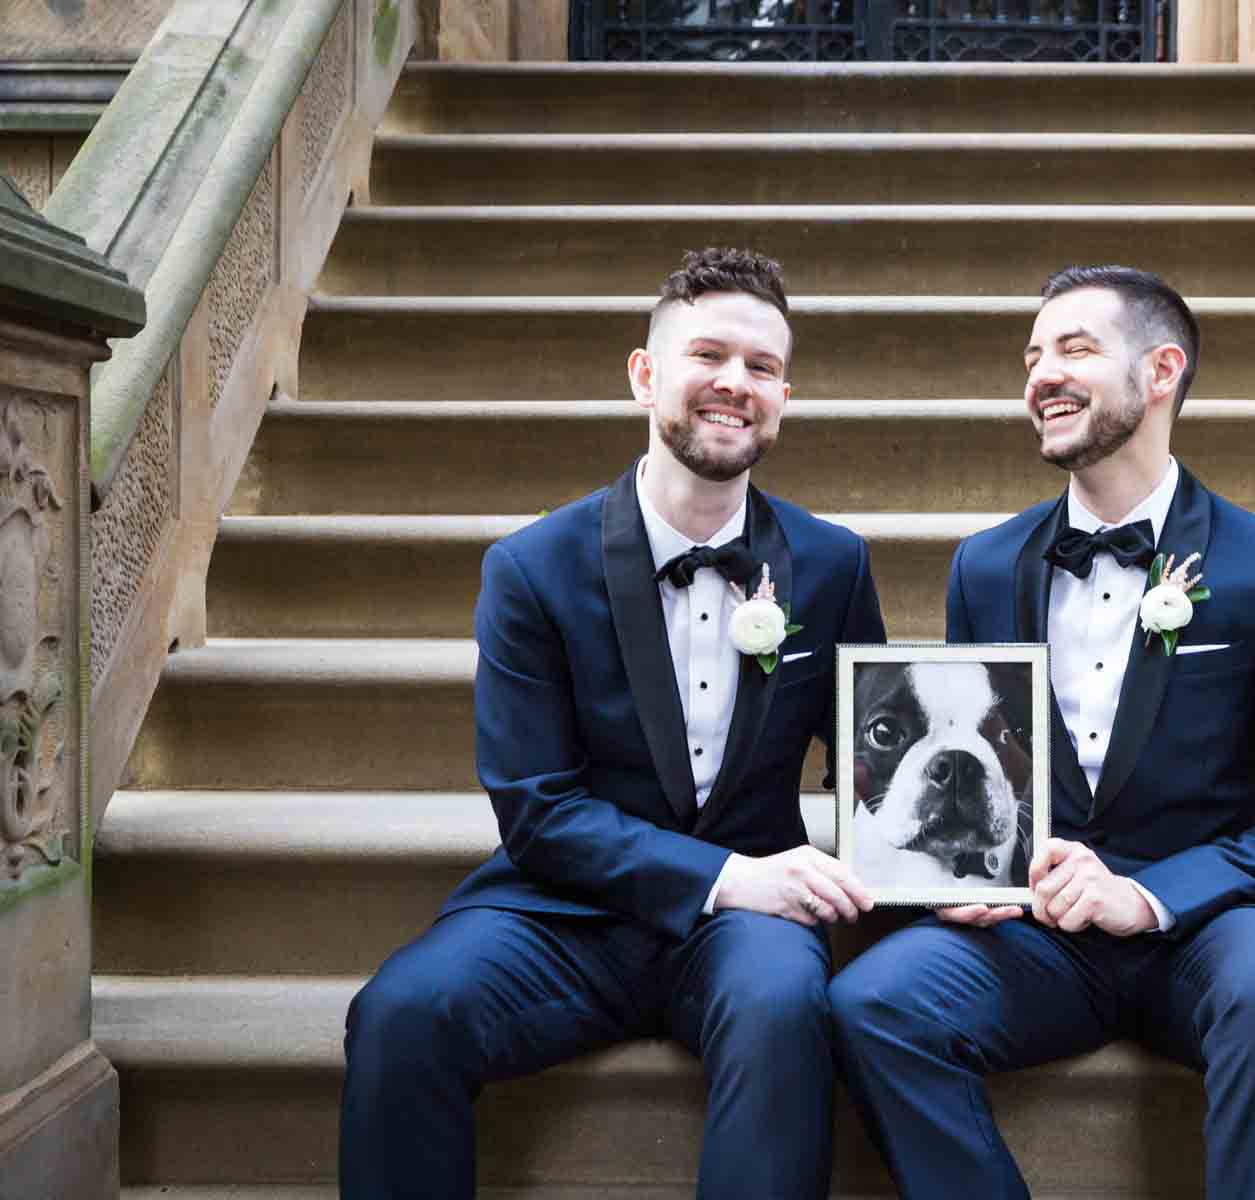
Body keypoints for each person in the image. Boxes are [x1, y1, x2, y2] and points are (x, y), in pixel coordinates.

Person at [340, 247, 884, 1200]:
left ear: (784, 397)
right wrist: (726, 877)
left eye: (761, 368)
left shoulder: (833, 565)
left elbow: (874, 761)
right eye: (707, 355)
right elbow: (538, 810)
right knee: (402, 1013)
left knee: (784, 1010)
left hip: (747, 930)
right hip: (564, 911)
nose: (733, 383)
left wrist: (954, 866)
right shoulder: (531, 567)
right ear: (645, 375)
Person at [828, 264, 1255, 1199]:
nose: (1041, 373)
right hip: (1044, 936)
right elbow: (989, 768)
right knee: (870, 1003)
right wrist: (959, 882)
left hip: (1213, 921)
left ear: (1162, 371)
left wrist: (1151, 897)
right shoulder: (986, 565)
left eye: (1074, 349)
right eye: (1032, 355)